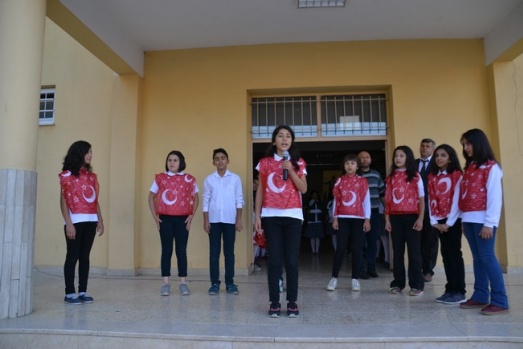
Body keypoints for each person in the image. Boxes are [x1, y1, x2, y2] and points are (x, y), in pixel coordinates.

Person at [254, 125, 307, 318]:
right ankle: (274, 302)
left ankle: (292, 302)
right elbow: (260, 190)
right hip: (270, 216)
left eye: (288, 136)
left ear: (292, 141)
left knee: (292, 261)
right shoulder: (264, 163)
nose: (284, 139)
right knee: (274, 260)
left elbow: (303, 189)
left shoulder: (298, 162)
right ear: (274, 140)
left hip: (293, 215)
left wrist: (291, 170)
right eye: (280, 136)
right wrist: (257, 215)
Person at [458, 129, 509, 315]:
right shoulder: (470, 167)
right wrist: (464, 220)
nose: (465, 148)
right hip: (470, 219)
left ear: (478, 144)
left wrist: (490, 223)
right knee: (478, 258)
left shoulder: (491, 167)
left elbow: (495, 197)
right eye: (463, 144)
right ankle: (480, 295)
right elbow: (464, 195)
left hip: (483, 221)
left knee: (487, 257)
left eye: (468, 144)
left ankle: (500, 300)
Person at [148, 150, 199, 296]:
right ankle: (166, 284)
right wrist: (155, 216)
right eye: (169, 160)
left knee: (181, 251)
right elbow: (151, 197)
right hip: (165, 219)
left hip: (182, 219)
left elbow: (196, 197)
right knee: (166, 250)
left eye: (175, 160)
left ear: (181, 162)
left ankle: (183, 283)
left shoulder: (189, 179)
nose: (172, 162)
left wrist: (191, 216)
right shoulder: (161, 178)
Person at [59, 140, 104, 305]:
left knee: (85, 257)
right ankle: (70, 292)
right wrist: (68, 223)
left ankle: (83, 290)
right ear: (79, 153)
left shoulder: (91, 177)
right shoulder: (67, 175)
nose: (91, 155)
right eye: (88, 152)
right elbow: (63, 201)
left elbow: (94, 199)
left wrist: (100, 219)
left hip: (91, 220)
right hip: (75, 221)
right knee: (72, 256)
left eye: (91, 152)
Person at [427, 144, 466, 304]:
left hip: (453, 220)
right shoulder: (432, 176)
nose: (439, 158)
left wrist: (449, 223)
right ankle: (449, 289)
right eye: (437, 155)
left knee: (454, 254)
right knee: (446, 255)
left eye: (443, 155)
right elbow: (430, 199)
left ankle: (459, 290)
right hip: (439, 221)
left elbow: (458, 200)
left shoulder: (457, 175)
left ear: (450, 158)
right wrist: (434, 222)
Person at [202, 148, 244, 295]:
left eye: (223, 158)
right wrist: (206, 220)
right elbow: (205, 201)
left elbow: (239, 200)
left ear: (228, 160)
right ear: (213, 162)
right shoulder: (209, 180)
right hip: (213, 221)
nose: (220, 161)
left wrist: (238, 220)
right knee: (214, 253)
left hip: (229, 221)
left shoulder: (235, 179)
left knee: (229, 253)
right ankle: (214, 283)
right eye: (217, 158)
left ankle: (230, 283)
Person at [326, 154, 370, 292]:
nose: (349, 166)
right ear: (343, 166)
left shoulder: (363, 181)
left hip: (358, 218)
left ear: (357, 166)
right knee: (340, 249)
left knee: (357, 249)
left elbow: (366, 201)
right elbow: (336, 201)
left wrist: (367, 219)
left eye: (352, 163)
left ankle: (355, 279)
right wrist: (335, 217)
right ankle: (334, 278)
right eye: (347, 163)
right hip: (343, 217)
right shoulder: (339, 181)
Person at [385, 145, 425, 296]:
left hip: (412, 217)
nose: (398, 158)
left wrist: (421, 218)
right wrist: (387, 220)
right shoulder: (390, 178)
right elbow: (388, 200)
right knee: (398, 252)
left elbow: (421, 198)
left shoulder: (415, 176)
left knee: (414, 252)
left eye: (401, 155)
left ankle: (417, 285)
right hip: (395, 218)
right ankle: (398, 283)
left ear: (407, 157)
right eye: (396, 156)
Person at [357, 151, 385, 278]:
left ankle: (371, 268)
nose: (364, 160)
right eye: (361, 158)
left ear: (370, 159)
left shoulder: (376, 174)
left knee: (372, 241)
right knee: (359, 242)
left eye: (367, 157)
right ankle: (360, 269)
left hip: (374, 213)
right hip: (357, 213)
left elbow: (382, 194)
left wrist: (387, 211)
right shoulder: (354, 175)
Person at [416, 138, 438, 282]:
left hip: (432, 207)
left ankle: (428, 270)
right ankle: (417, 268)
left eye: (427, 146)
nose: (424, 148)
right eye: (422, 146)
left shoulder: (437, 164)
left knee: (430, 240)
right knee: (417, 239)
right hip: (415, 207)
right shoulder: (413, 163)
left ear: (433, 150)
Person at [304, 190, 325, 254]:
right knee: (312, 237)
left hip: (318, 221)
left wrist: (312, 211)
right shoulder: (309, 202)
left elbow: (321, 210)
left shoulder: (320, 202)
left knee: (317, 237)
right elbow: (307, 209)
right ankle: (313, 251)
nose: (315, 196)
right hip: (311, 221)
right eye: (313, 195)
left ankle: (317, 250)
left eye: (316, 194)